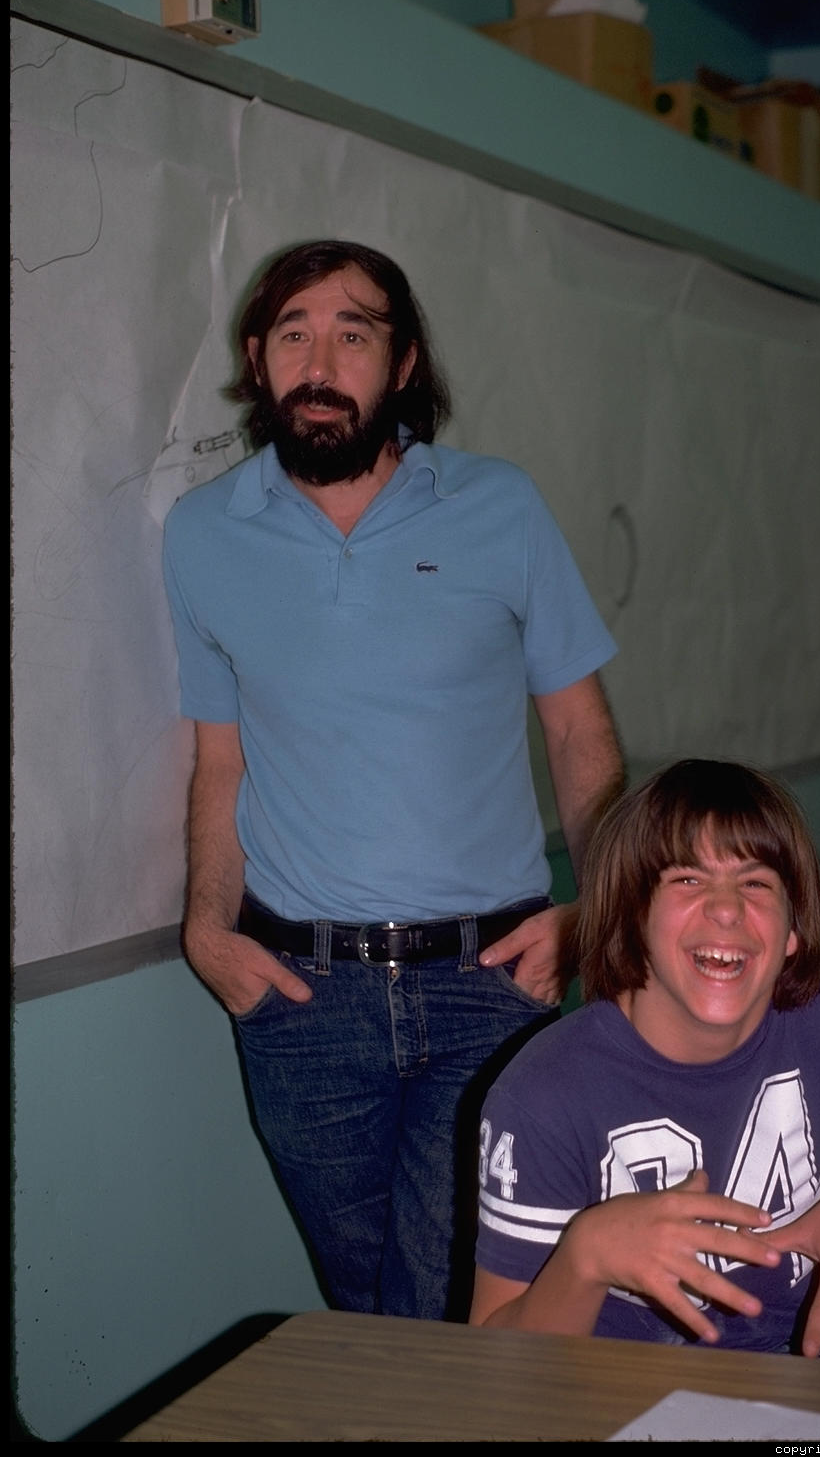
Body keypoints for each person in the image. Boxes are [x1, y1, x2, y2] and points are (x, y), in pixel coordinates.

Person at [161, 239, 625, 1321]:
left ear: (403, 362)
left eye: (354, 334)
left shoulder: (501, 507)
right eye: (294, 334)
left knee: (457, 1307)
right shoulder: (202, 536)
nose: (320, 363)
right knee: (369, 1318)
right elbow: (220, 759)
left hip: (491, 989)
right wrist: (205, 930)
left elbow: (578, 732)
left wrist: (599, 908)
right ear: (257, 359)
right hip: (300, 1003)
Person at [470, 758, 820, 1364]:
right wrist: (586, 1255)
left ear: (792, 930)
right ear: (631, 918)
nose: (726, 909)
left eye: (756, 883)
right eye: (687, 879)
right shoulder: (541, 1094)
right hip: (624, 1388)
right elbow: (499, 1357)